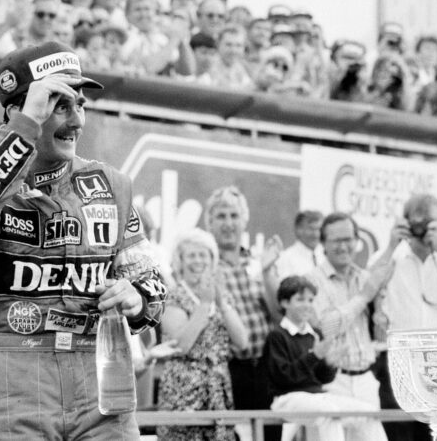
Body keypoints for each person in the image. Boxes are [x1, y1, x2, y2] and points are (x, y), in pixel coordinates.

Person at [0, 40, 168, 439]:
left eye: (81, 105)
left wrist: (137, 296)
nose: (78, 121)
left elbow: (155, 287)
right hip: (13, 380)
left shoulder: (109, 185)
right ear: (17, 110)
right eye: (61, 105)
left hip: (101, 380)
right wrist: (22, 129)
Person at [264, 276, 389, 441]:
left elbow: (322, 378)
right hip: (286, 398)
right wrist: (314, 355)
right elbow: (283, 378)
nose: (307, 305)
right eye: (300, 300)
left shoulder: (314, 334)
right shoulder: (277, 336)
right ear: (284, 303)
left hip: (315, 396)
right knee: (329, 413)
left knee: (368, 412)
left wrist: (330, 364)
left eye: (310, 300)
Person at [205, 186, 282, 441]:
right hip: (228, 369)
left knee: (270, 434)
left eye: (234, 216)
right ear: (210, 222)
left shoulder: (259, 262)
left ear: (245, 220)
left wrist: (269, 272)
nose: (228, 223)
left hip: (265, 368)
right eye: (221, 216)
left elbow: (278, 316)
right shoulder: (203, 264)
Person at [305, 212, 392, 441]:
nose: (343, 246)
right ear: (323, 244)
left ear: (357, 241)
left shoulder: (365, 277)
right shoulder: (312, 281)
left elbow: (384, 323)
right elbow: (326, 327)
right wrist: (363, 298)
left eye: (348, 239)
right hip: (333, 382)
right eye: (336, 241)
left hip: (366, 380)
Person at [157, 228, 249, 441]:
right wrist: (205, 304)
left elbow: (242, 342)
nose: (198, 261)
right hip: (183, 392)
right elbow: (181, 346)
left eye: (203, 255)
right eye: (191, 255)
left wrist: (221, 303)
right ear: (180, 260)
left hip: (218, 389)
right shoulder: (174, 295)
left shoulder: (221, 296)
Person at [370, 194, 437, 441]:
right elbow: (366, 286)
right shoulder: (391, 256)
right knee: (399, 434)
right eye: (416, 223)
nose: (421, 230)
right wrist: (392, 244)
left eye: (429, 222)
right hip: (398, 361)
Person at [275, 210, 325, 279]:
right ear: (298, 230)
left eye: (319, 229)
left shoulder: (325, 255)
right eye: (311, 229)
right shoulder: (286, 259)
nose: (316, 234)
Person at [207, 25, 254, 90]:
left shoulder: (246, 68)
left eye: (238, 46)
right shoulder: (207, 65)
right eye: (228, 45)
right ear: (218, 44)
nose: (233, 50)